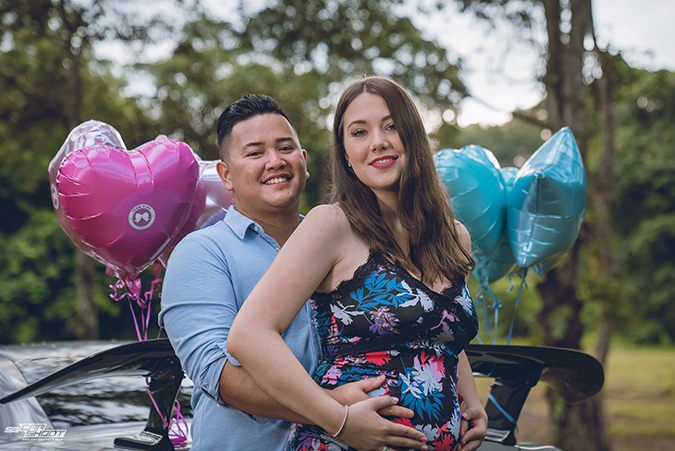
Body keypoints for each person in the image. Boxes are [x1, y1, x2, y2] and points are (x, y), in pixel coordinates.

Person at [228, 76, 488, 451]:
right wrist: (339, 420)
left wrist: (472, 400)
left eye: (391, 126)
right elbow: (249, 335)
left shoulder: (453, 235)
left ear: (414, 137)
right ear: (346, 154)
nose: (378, 141)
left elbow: (439, 329)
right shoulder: (331, 225)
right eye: (359, 132)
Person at [158, 94, 427, 450]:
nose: (275, 161)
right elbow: (217, 373)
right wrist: (332, 410)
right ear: (226, 175)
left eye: (285, 148)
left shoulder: (349, 242)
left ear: (303, 160)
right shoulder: (202, 252)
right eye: (255, 153)